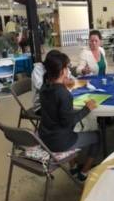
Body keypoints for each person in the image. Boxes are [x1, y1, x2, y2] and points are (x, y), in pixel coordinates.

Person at [39, 52, 99, 183]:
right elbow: (69, 123)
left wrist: (63, 85)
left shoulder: (44, 87)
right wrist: (87, 108)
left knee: (75, 129)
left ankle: (74, 167)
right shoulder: (64, 94)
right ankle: (84, 172)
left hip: (44, 137)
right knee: (96, 137)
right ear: (62, 71)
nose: (68, 70)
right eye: (67, 67)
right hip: (59, 142)